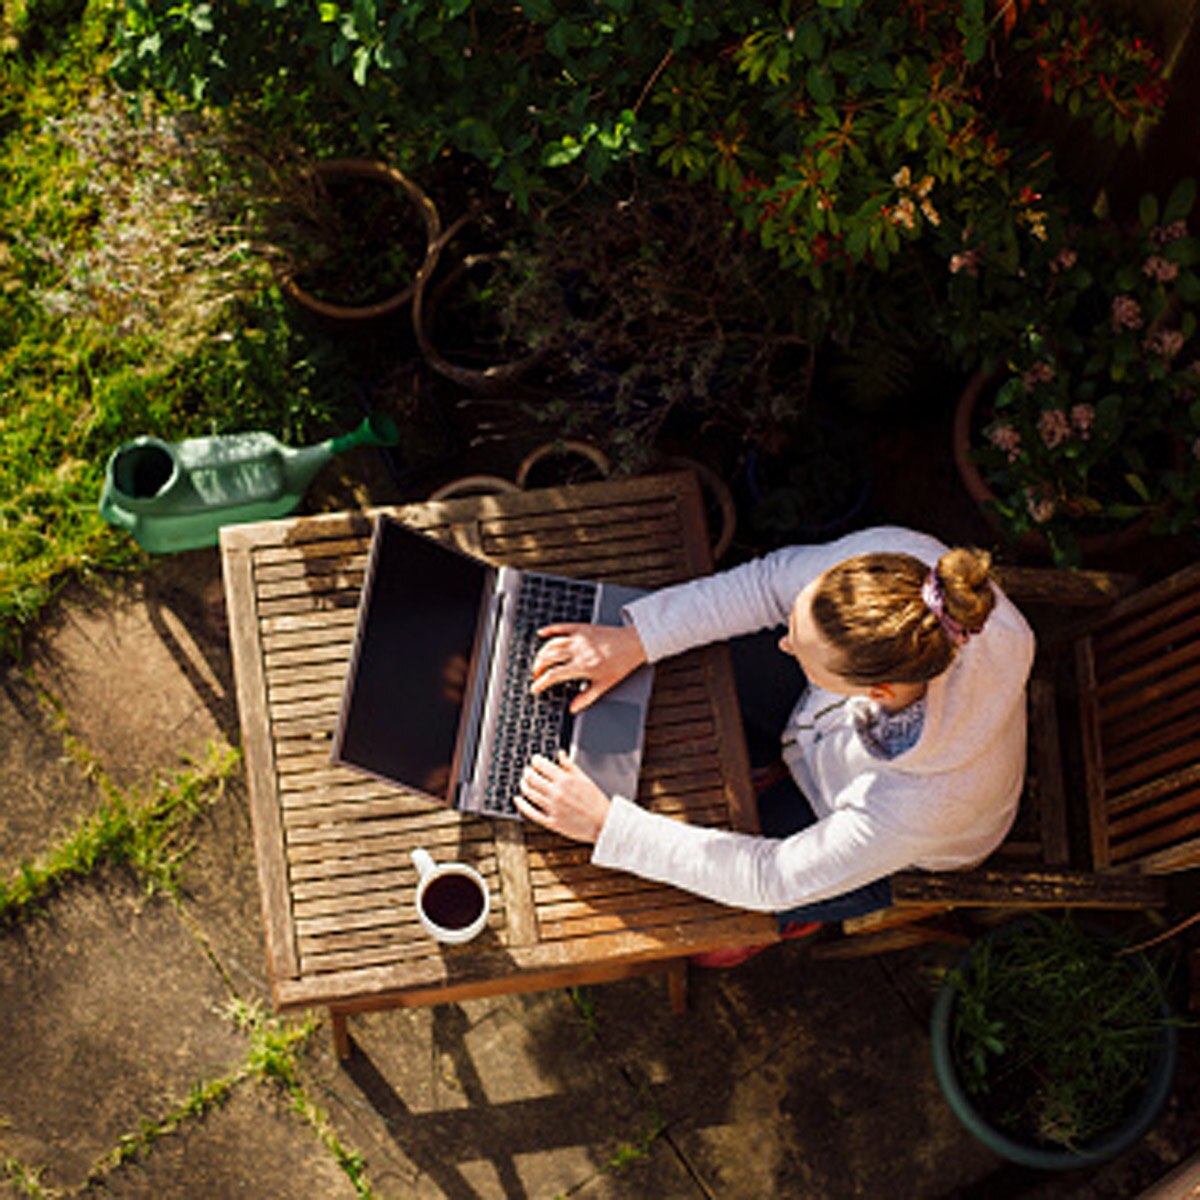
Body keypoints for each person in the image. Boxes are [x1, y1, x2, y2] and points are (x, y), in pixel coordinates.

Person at [514, 526, 1035, 962]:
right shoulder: (899, 574)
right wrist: (637, 640)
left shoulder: (921, 805)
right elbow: (766, 586)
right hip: (828, 733)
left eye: (801, 651)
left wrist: (609, 828)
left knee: (710, 933)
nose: (783, 643)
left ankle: (790, 897)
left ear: (876, 692)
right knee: (699, 668)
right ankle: (775, 762)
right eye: (793, 625)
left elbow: (774, 876)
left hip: (893, 838)